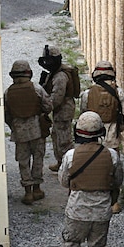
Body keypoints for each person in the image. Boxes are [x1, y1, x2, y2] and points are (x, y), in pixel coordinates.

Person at [58, 112, 123, 247]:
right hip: (102, 211)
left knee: (70, 241)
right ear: (99, 132)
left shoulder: (70, 156)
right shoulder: (112, 155)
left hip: (77, 209)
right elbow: (118, 180)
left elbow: (63, 181)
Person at [3, 59, 52, 205]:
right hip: (37, 129)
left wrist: (14, 125)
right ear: (29, 73)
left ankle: (28, 193)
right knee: (38, 159)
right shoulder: (36, 89)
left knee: (23, 162)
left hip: (19, 133)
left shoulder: (8, 92)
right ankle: (37, 189)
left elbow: (6, 114)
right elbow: (48, 106)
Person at [37, 44, 79, 172]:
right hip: (60, 109)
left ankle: (70, 166)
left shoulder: (60, 76)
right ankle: (61, 162)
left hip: (64, 110)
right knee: (56, 135)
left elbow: (56, 98)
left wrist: (44, 108)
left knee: (64, 140)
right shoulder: (55, 72)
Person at [79, 60, 124, 151]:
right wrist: (117, 129)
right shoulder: (119, 92)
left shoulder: (87, 93)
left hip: (93, 139)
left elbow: (83, 115)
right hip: (112, 139)